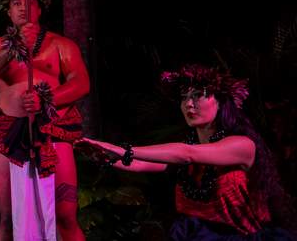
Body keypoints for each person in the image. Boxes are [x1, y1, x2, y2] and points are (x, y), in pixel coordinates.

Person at [77, 64, 296, 240]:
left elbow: (186, 153)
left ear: (221, 102)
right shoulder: (186, 154)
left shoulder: (242, 145)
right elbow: (141, 163)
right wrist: (103, 156)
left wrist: (121, 149)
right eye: (184, 97)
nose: (189, 104)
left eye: (198, 95)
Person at [0, 0, 89, 241]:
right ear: (8, 11)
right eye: (15, 3)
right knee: (7, 218)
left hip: (52, 130)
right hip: (8, 134)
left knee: (65, 216)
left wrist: (45, 99)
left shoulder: (61, 45)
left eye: (28, 2)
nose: (22, 7)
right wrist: (14, 44)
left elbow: (81, 83)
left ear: (40, 9)